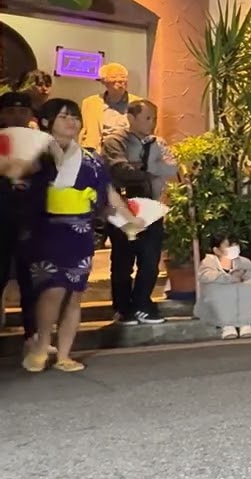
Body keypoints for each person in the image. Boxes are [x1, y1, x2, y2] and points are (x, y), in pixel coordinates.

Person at [24, 99, 143, 372]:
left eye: (75, 117)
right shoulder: (35, 155)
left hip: (80, 232)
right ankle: (42, 344)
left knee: (74, 294)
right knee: (52, 289)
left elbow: (109, 193)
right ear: (46, 121)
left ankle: (64, 354)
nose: (72, 122)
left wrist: (129, 218)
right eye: (64, 117)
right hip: (46, 231)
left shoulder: (91, 159)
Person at [101, 99, 177, 326]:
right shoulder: (115, 141)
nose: (152, 123)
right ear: (131, 118)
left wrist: (144, 166)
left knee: (151, 259)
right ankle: (123, 308)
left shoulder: (158, 142)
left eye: (154, 118)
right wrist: (152, 167)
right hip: (122, 207)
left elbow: (171, 168)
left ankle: (143, 303)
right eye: (147, 118)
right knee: (123, 261)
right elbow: (120, 170)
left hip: (151, 207)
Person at [0, 91, 38, 344]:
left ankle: (33, 336)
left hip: (32, 223)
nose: (17, 116)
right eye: (11, 111)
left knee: (32, 284)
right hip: (1, 221)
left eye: (23, 111)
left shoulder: (41, 144)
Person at [197, 234, 251, 339]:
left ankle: (245, 324)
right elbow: (205, 276)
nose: (234, 248)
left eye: (235, 245)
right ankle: (227, 325)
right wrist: (228, 278)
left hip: (240, 302)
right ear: (217, 250)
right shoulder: (208, 262)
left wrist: (243, 276)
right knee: (217, 288)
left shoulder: (244, 262)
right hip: (218, 304)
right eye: (229, 246)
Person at [80, 62, 141, 152]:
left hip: (128, 152)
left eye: (123, 76)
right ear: (104, 81)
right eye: (114, 77)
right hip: (97, 152)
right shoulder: (90, 103)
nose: (120, 80)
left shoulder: (138, 103)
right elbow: (82, 131)